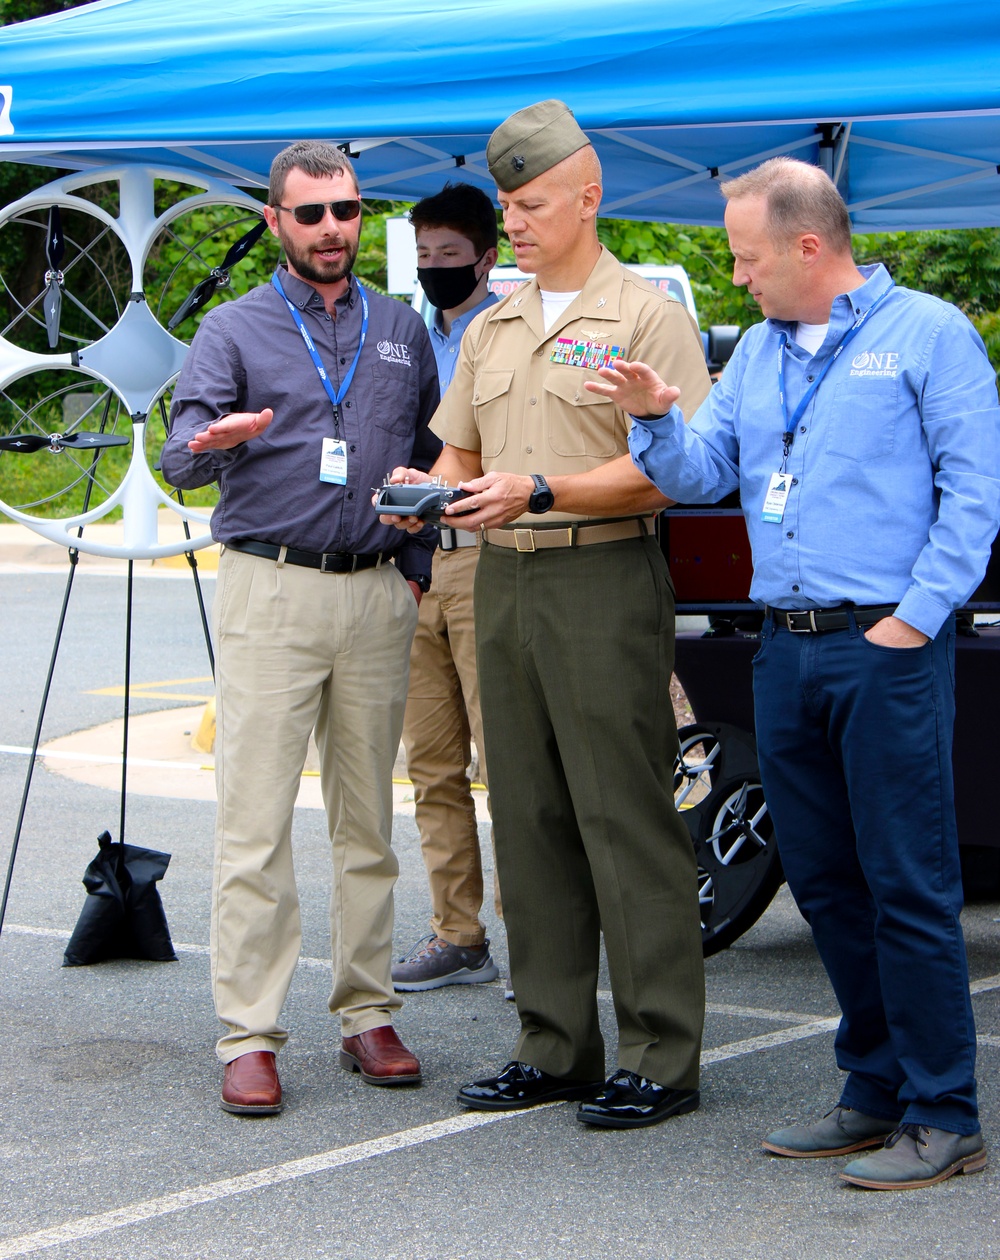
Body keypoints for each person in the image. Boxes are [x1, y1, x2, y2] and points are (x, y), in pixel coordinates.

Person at [591, 156, 998, 1186]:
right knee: (821, 883)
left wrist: (912, 622)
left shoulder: (929, 336)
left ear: (808, 247)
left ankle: (944, 1112)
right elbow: (695, 475)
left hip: (882, 647)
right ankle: (871, 1090)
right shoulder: (760, 356)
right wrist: (652, 415)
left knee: (907, 881)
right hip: (787, 651)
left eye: (747, 257)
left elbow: (974, 497)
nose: (738, 277)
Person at [383, 100, 712, 1129]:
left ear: (587, 195)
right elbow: (463, 454)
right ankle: (554, 1043)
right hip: (503, 580)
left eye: (530, 204)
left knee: (624, 817)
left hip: (602, 578)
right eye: (507, 207)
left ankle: (660, 1053)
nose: (514, 223)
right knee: (524, 816)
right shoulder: (493, 325)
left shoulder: (644, 314)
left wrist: (540, 490)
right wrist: (426, 487)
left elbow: (669, 473)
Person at [162, 140, 442, 1115]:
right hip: (269, 589)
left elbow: (431, 455)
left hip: (371, 591)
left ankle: (367, 1013)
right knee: (255, 825)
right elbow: (178, 462)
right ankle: (249, 1033)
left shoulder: (402, 329)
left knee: (368, 823)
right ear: (276, 220)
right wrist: (212, 443)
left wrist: (416, 557)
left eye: (348, 211)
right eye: (311, 214)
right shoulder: (233, 330)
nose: (333, 229)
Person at [391, 183, 503, 993]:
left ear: (485, 259)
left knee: (509, 765)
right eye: (424, 258)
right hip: (413, 564)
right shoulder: (408, 336)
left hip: (485, 555)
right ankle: (458, 933)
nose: (434, 271)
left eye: (449, 259)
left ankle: (536, 936)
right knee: (432, 765)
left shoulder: (503, 333)